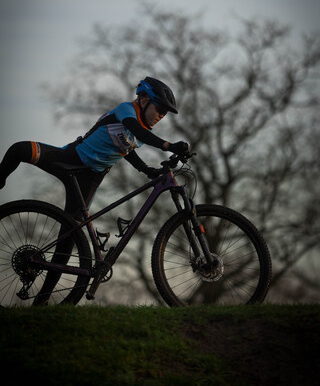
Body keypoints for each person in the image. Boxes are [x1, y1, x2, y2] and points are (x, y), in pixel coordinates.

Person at [0, 77, 188, 304]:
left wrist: (147, 170)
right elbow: (135, 129)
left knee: (68, 238)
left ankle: (42, 301)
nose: (161, 116)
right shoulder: (126, 110)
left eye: (165, 114)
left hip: (90, 179)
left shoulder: (140, 131)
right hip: (70, 159)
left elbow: (126, 148)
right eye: (160, 109)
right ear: (144, 99)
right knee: (19, 149)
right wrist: (168, 146)